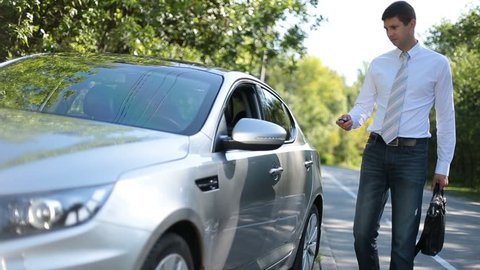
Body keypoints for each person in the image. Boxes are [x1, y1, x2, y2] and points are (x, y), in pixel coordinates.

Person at [335, 1, 455, 269]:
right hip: (376, 150)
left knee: (403, 241)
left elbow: (447, 117)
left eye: (394, 27)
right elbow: (364, 106)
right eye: (386, 28)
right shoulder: (379, 64)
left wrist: (443, 165)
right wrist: (352, 119)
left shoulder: (438, 64)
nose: (389, 33)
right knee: (362, 234)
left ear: (412, 23)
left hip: (413, 155)